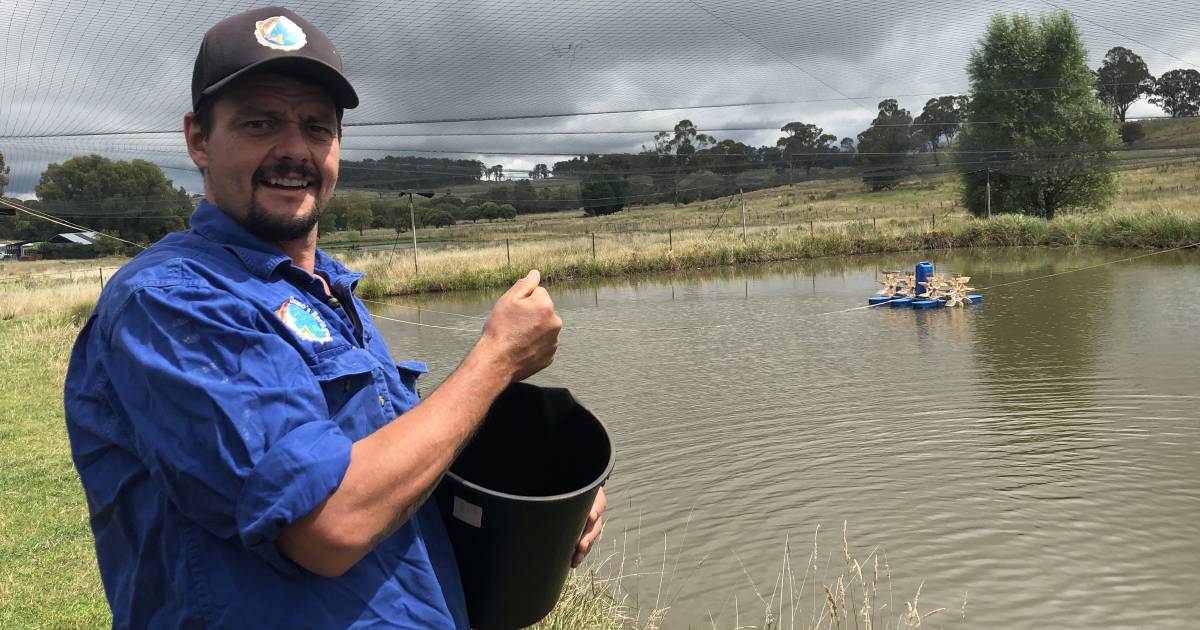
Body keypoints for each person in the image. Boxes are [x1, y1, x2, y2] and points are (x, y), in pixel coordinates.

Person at [63, 7, 605, 628]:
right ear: (199, 140)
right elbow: (328, 525)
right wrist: (496, 360)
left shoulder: (325, 289)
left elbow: (384, 466)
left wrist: (536, 509)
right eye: (260, 122)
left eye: (317, 127)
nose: (293, 149)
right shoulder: (169, 302)